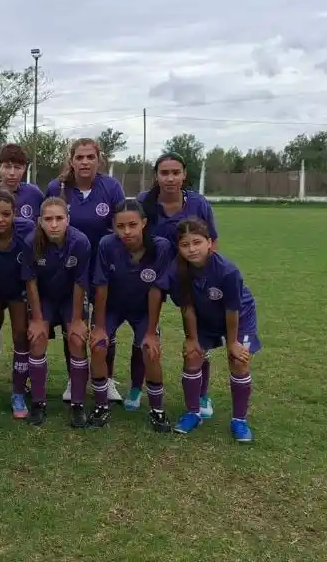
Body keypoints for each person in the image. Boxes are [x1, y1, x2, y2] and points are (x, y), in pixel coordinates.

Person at [148, 217, 259, 443]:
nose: (192, 249)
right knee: (192, 355)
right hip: (204, 317)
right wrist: (192, 338)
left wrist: (232, 343)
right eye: (185, 244)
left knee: (238, 360)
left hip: (238, 317)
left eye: (197, 242)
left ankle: (239, 420)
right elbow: (187, 307)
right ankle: (193, 413)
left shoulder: (227, 271)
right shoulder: (178, 269)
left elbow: (232, 310)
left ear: (210, 243)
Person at [135, 151, 219, 417]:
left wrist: (206, 273)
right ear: (156, 176)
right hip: (153, 278)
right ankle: (136, 388)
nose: (170, 178)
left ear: (184, 175)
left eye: (175, 173)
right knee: (144, 332)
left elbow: (212, 241)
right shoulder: (143, 202)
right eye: (164, 173)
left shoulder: (198, 203)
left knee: (197, 336)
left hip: (191, 277)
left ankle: (202, 394)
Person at [45, 138, 126, 404]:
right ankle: (75, 378)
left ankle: (107, 379)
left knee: (104, 325)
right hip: (69, 268)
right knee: (74, 324)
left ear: (98, 159)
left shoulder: (111, 187)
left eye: (90, 157)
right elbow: (47, 226)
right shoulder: (57, 188)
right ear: (71, 160)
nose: (85, 162)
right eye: (79, 157)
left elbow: (121, 226)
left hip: (103, 268)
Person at [88, 199, 175, 431]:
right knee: (98, 346)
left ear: (144, 223)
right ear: (114, 226)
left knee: (150, 350)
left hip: (143, 309)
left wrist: (151, 332)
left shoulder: (161, 247)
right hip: (112, 307)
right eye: (121, 226)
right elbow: (101, 286)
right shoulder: (107, 245)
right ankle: (101, 406)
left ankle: (157, 410)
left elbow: (157, 290)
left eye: (132, 225)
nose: (127, 231)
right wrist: (99, 327)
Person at [25, 197, 92, 427]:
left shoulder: (80, 242)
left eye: (59, 218)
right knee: (37, 338)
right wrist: (37, 319)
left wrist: (76, 319)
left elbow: (80, 282)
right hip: (44, 298)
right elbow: (31, 282)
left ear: (68, 219)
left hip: (70, 298)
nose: (54, 224)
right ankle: (38, 403)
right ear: (40, 221)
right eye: (48, 219)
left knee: (76, 339)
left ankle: (78, 404)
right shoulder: (32, 241)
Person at [0, 189, 36, 419]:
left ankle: (18, 392)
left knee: (21, 335)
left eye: (6, 214)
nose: (0, 219)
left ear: (15, 213)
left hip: (17, 291)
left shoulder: (27, 230)